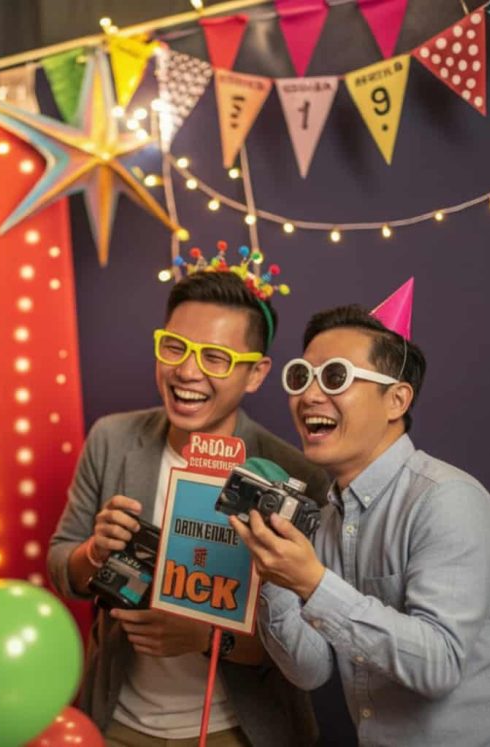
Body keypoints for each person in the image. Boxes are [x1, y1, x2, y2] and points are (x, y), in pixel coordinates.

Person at [231, 294, 490, 746]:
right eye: (301, 377)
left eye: (335, 377)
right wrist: (276, 577)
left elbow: (438, 664)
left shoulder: (447, 501)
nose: (309, 395)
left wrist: (315, 584)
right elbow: (311, 671)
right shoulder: (323, 518)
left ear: (396, 400)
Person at [48, 249, 328, 747]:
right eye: (174, 347)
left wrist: (207, 638)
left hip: (237, 729)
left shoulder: (294, 474)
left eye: (215, 358)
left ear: (257, 373)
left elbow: (315, 645)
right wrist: (93, 553)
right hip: (118, 720)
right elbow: (61, 568)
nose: (187, 371)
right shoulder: (112, 438)